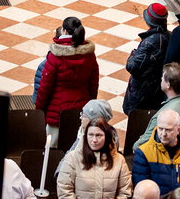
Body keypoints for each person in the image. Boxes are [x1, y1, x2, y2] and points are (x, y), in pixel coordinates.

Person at [35, 16, 99, 146]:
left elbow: (45, 87)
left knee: (52, 151)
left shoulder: (55, 55)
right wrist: (89, 106)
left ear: (64, 31)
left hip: (57, 112)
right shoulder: (90, 55)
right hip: (81, 111)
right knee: (77, 149)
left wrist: (39, 110)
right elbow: (93, 85)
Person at [132, 109, 180, 199]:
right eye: (160, 128)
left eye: (168, 130)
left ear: (178, 130)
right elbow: (143, 191)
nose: (163, 134)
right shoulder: (144, 152)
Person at [57, 117, 133, 199]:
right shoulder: (72, 158)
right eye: (90, 135)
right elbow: (65, 191)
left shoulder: (119, 160)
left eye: (98, 135)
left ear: (107, 137)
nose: (94, 140)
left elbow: (125, 191)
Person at [132, 63, 180, 151]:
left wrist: (137, 143)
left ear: (168, 85)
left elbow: (138, 148)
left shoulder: (163, 116)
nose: (161, 79)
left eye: (163, 77)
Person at [124, 3, 171, 115]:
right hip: (159, 89)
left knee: (138, 120)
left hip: (144, 91)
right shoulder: (170, 36)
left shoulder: (149, 42)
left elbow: (132, 66)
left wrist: (133, 54)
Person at [57, 100, 120, 176]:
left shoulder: (102, 141)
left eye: (84, 115)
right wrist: (60, 172)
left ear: (93, 120)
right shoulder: (82, 132)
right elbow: (71, 153)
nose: (80, 117)